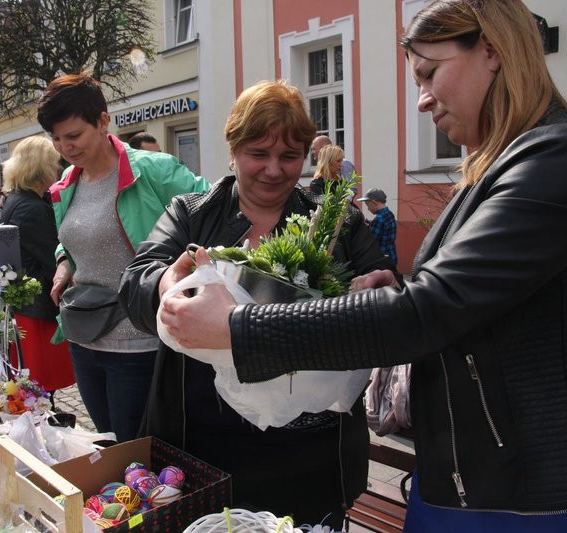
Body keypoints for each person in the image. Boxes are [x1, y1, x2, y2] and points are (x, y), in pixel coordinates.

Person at [156, 2, 567, 532]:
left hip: (539, 495)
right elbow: (462, 300)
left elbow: (430, 311)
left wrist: (238, 327)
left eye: (430, 73)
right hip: (476, 476)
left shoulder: (563, 158)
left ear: (492, 51)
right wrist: (396, 284)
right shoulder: (503, 164)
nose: (423, 99)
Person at [119, 80, 395, 527]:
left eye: (289, 156)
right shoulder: (191, 213)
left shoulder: (337, 221)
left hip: (310, 446)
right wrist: (164, 283)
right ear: (233, 151)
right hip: (206, 443)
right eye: (258, 153)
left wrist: (380, 285)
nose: (273, 170)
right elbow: (135, 281)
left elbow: (385, 292)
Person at [37, 73, 209, 442]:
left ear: (103, 121)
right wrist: (64, 261)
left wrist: (187, 277)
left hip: (139, 343)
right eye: (56, 138)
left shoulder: (154, 171)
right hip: (84, 339)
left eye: (74, 135)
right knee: (109, 444)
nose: (65, 147)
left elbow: (213, 213)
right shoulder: (67, 183)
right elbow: (73, 236)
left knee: (136, 451)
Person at [0, 135, 75, 398]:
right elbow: (53, 257)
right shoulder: (33, 208)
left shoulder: (16, 200)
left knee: (30, 380)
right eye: (55, 162)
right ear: (43, 167)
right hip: (39, 305)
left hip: (26, 304)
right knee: (40, 384)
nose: (58, 168)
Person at [360, 188, 397, 268]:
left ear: (374, 202)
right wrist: (370, 225)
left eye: (367, 205)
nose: (368, 209)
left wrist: (365, 229)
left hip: (381, 260)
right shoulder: (390, 214)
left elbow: (372, 240)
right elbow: (384, 231)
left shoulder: (378, 219)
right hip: (391, 255)